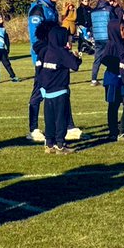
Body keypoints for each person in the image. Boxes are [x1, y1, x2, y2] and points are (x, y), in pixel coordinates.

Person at [26, 0, 80, 143]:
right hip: (44, 59)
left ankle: (69, 126)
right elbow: (37, 39)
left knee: (63, 89)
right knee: (39, 92)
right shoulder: (38, 10)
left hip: (56, 55)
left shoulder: (51, 9)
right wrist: (49, 53)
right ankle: (33, 128)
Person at [31, 21, 82, 154]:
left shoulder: (48, 52)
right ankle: (60, 144)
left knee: (49, 120)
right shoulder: (61, 52)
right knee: (61, 119)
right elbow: (74, 66)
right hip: (60, 92)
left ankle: (49, 144)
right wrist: (77, 57)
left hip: (48, 93)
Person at [101, 4, 124, 142]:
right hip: (112, 80)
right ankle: (113, 131)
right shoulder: (111, 45)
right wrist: (118, 65)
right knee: (113, 105)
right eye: (121, 29)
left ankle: (122, 129)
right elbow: (104, 60)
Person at [89, 0, 113, 85]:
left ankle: (93, 79)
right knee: (112, 57)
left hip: (97, 37)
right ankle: (112, 76)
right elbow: (113, 22)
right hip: (107, 36)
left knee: (97, 58)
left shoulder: (93, 11)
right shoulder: (109, 9)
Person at [0, 14, 20, 83]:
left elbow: (6, 40)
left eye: (1, 19)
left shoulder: (3, 29)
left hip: (3, 50)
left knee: (7, 64)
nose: (1, 20)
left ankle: (13, 76)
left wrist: (7, 48)